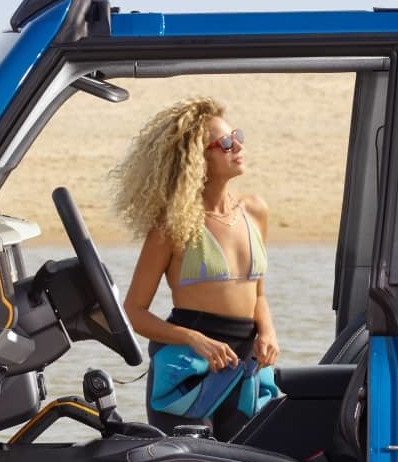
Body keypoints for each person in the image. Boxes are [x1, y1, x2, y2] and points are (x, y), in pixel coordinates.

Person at [113, 97, 280, 437]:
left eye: (237, 135)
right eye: (226, 143)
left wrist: (268, 333)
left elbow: (257, 293)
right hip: (187, 370)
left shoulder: (255, 210)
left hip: (247, 366)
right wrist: (194, 340)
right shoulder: (171, 227)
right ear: (196, 158)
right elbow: (134, 311)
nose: (239, 146)